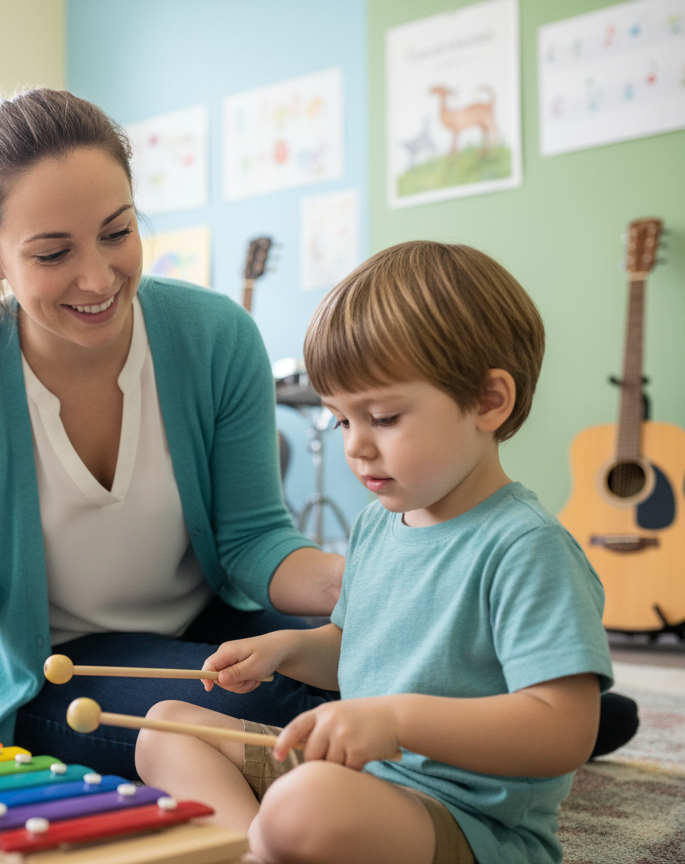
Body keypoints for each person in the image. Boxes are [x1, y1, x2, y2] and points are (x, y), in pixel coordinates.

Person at [0, 87, 345, 779]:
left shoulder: (217, 336)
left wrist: (359, 584)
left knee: (386, 668)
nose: (98, 277)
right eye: (53, 254)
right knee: (297, 715)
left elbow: (253, 541)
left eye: (117, 232)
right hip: (53, 672)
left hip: (211, 630)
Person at [134, 241, 617, 864]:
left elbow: (564, 730)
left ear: (489, 401)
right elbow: (355, 650)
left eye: (383, 417)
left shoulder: (526, 548)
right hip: (355, 784)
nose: (356, 447)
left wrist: (397, 722)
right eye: (341, 421)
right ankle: (255, 848)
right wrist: (284, 649)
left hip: (461, 820)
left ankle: (265, 841)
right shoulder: (377, 526)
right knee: (165, 727)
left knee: (308, 804)